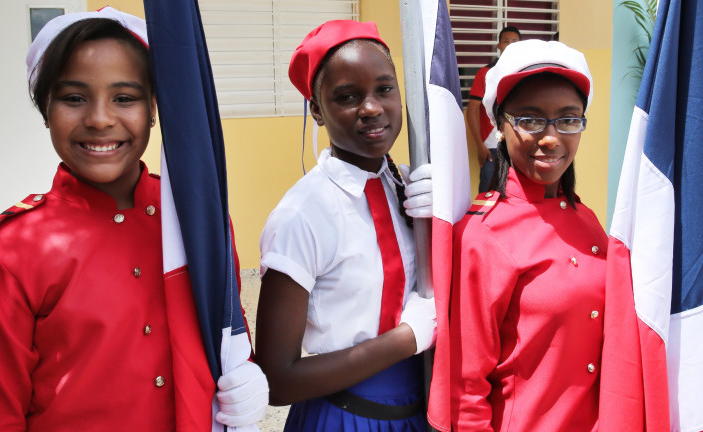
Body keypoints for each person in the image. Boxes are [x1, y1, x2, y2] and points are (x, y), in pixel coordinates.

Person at [0, 8, 267, 431]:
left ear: (154, 107)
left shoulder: (196, 222)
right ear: (46, 109)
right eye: (74, 98)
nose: (100, 119)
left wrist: (245, 375)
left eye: (124, 98)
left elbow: (226, 331)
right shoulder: (9, 252)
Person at [255, 20, 436, 432]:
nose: (371, 108)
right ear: (317, 110)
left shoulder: (407, 186)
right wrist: (407, 337)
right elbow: (276, 380)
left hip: (418, 410)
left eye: (384, 89)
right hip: (345, 417)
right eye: (348, 96)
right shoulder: (301, 215)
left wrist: (450, 219)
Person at [449, 39, 605, 431]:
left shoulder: (588, 221)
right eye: (531, 120)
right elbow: (465, 391)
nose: (551, 138)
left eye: (568, 120)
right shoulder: (483, 234)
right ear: (500, 127)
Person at [466, 26, 521, 193]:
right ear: (499, 45)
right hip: (492, 146)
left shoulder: (523, 73)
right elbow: (472, 110)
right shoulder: (486, 73)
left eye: (514, 42)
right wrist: (479, 144)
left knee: (515, 192)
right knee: (488, 194)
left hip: (518, 143)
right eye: (506, 41)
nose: (510, 45)